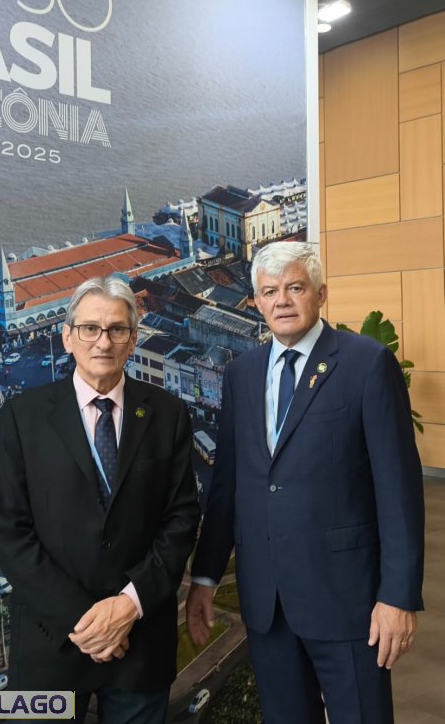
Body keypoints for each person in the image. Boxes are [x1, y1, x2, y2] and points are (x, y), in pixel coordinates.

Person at [186, 242, 424, 724]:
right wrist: (205, 578)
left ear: (321, 294)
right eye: (269, 291)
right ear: (256, 302)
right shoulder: (240, 374)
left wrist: (398, 596)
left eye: (295, 288)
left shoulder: (367, 364)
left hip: (347, 600)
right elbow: (228, 487)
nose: (282, 301)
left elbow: (398, 490)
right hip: (268, 603)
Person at [0, 277, 199, 724]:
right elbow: (9, 532)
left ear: (133, 340)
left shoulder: (168, 414)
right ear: (67, 337)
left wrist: (128, 605)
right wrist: (87, 622)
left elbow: (181, 519)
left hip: (140, 644)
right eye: (89, 329)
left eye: (116, 329)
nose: (103, 342)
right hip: (52, 645)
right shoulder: (22, 418)